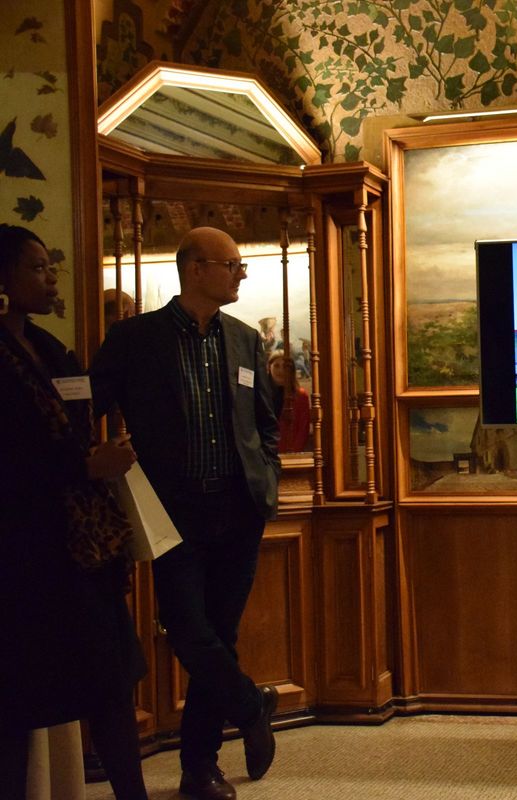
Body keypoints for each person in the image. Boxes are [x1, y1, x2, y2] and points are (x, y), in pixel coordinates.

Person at [90, 227, 281, 800]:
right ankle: (250, 705)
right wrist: (95, 458)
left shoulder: (244, 339)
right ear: (196, 269)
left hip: (238, 510)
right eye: (233, 265)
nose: (241, 274)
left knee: (221, 634)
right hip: (171, 515)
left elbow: (265, 424)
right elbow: (86, 406)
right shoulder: (134, 338)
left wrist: (266, 480)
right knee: (190, 633)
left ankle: (200, 768)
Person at [0, 224, 148, 800]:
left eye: (50, 267)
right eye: (36, 268)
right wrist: (84, 467)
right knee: (20, 702)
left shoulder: (51, 347)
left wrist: (99, 458)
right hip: (26, 558)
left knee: (110, 685)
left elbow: (79, 421)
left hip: (85, 552)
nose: (51, 280)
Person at [268, 350, 311, 453]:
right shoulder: (262, 394)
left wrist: (292, 454)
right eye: (277, 366)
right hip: (266, 454)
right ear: (269, 367)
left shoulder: (301, 396)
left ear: (291, 370)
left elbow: (303, 430)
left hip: (290, 453)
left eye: (285, 367)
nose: (281, 370)